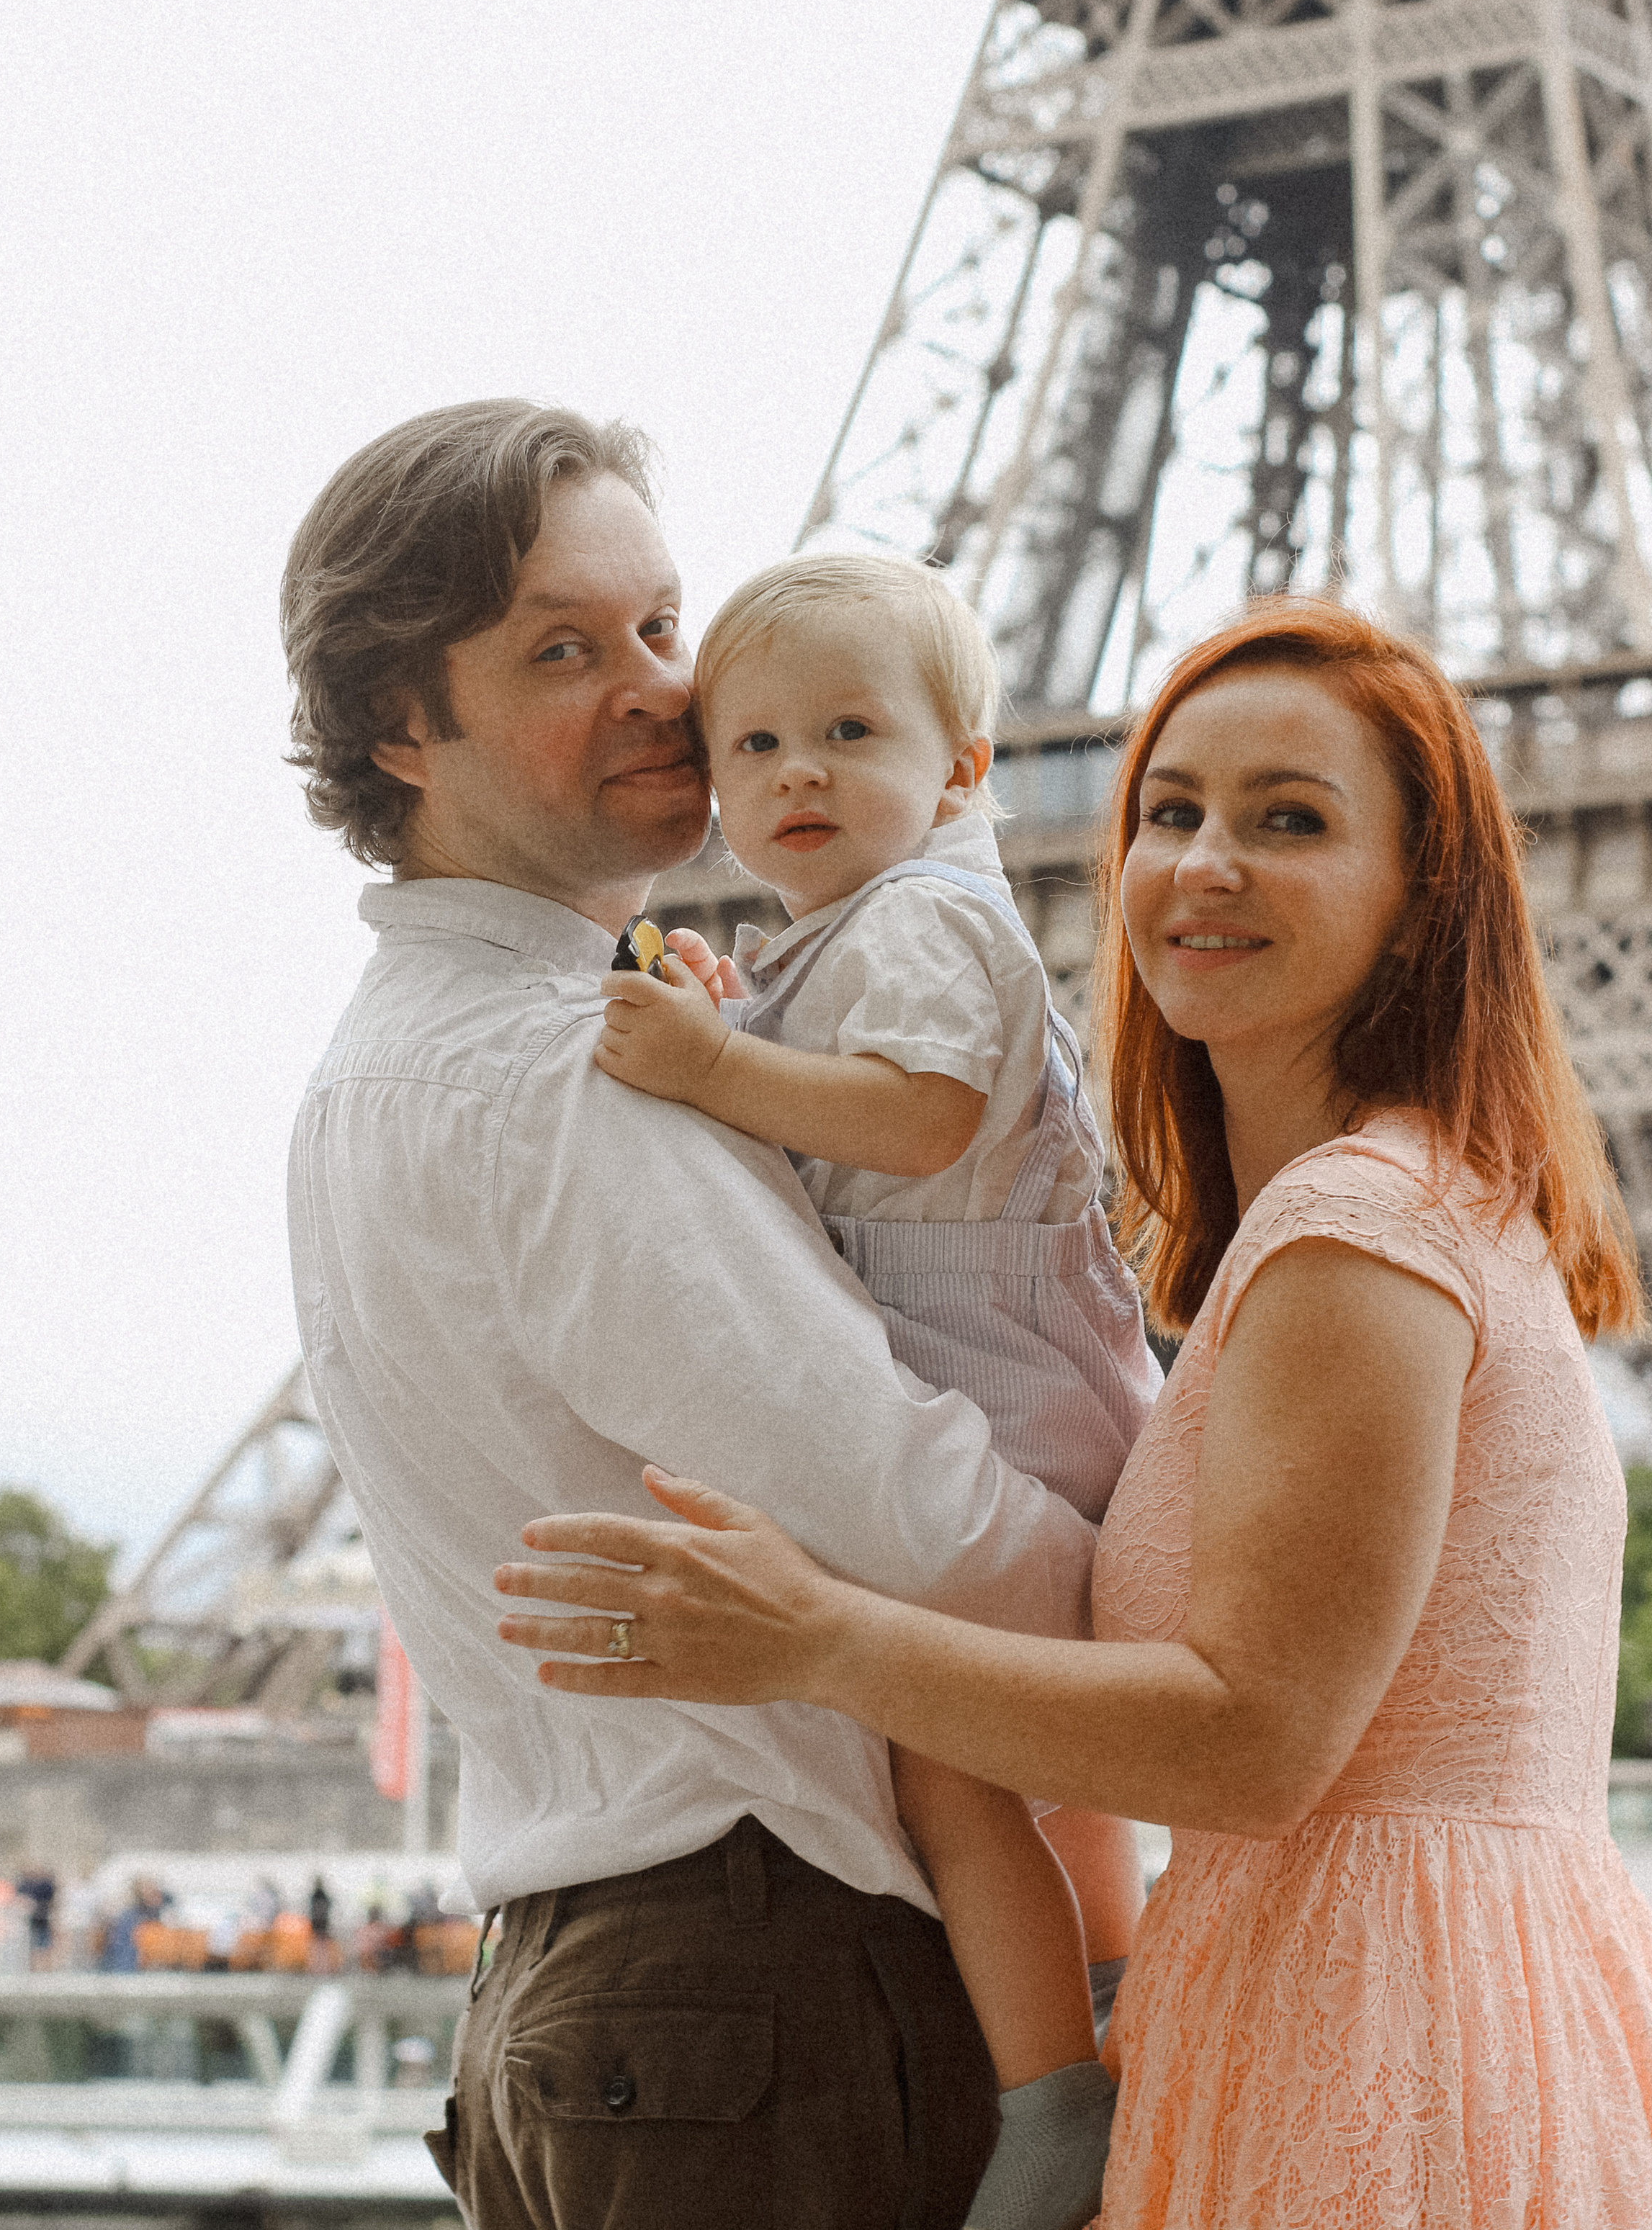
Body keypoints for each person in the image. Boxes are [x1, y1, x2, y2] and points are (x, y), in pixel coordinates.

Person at [495, 597, 1652, 2229]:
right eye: (1167, 813)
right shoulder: (1388, 1212)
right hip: (1401, 2003)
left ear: (1418, 903)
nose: (1202, 864)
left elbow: (1250, 1742)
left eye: (1289, 821)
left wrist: (813, 1638)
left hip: (1373, 2038)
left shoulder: (1352, 1236)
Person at [280, 401, 1097, 2230]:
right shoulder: (558, 1075)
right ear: (404, 728)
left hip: (595, 1990)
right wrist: (1211, 1636)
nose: (660, 689)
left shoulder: (382, 1074)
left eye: (662, 625)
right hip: (764, 1982)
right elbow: (926, 1531)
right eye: (565, 649)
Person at [597, 552, 1161, 2229]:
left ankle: (1051, 2087)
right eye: (752, 747)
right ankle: (1119, 1988)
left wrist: (708, 1064)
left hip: (995, 1385)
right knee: (1029, 1753)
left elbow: (908, 1120)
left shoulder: (924, 916)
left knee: (949, 1761)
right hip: (1028, 1373)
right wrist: (733, 1022)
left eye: (848, 731)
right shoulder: (874, 921)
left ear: (963, 771)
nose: (796, 775)